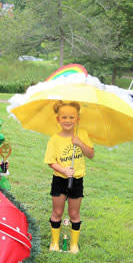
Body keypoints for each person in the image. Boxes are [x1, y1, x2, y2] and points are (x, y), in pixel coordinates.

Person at [44, 101, 94, 254]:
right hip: (60, 180)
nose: (68, 120)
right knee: (57, 212)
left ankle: (73, 244)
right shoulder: (54, 139)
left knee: (74, 214)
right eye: (64, 117)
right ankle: (54, 242)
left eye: (71, 117)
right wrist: (64, 170)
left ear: (77, 119)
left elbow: (91, 154)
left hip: (77, 180)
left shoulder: (82, 134)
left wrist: (80, 143)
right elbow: (51, 161)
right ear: (58, 119)